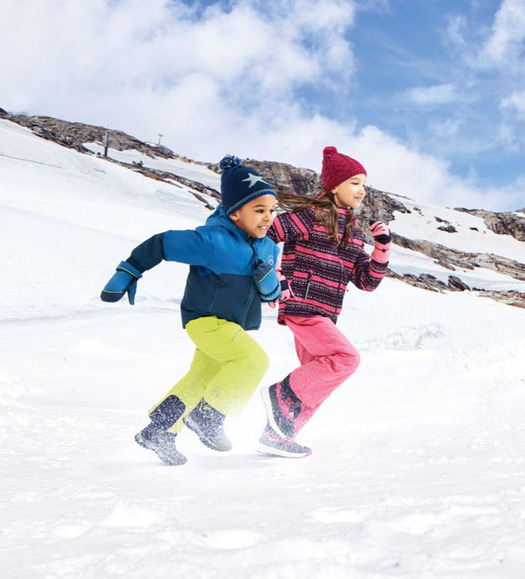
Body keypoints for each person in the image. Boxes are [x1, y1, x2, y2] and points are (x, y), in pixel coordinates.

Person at [100, 156, 290, 465]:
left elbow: (270, 293)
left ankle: (159, 430)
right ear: (235, 212)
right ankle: (209, 416)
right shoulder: (212, 241)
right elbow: (162, 243)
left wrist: (269, 284)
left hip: (234, 327)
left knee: (202, 377)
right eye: (259, 210)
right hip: (206, 320)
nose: (268, 217)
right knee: (253, 360)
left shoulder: (268, 246)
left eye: (271, 210)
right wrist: (129, 270)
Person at [259, 146, 392, 458]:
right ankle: (280, 393)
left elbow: (366, 281)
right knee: (345, 359)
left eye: (363, 184)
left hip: (325, 313)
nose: (361, 190)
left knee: (318, 378)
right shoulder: (309, 216)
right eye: (354, 183)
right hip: (302, 305)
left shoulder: (352, 231)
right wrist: (273, 277)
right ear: (334, 186)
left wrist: (382, 250)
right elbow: (265, 235)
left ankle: (277, 435)